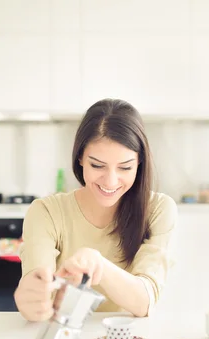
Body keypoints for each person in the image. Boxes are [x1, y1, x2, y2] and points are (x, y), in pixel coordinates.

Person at [14, 98, 178, 322]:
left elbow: (145, 302)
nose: (110, 181)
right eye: (97, 165)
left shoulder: (159, 209)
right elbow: (38, 284)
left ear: (139, 162)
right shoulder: (46, 212)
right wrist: (31, 296)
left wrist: (98, 264)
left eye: (125, 167)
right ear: (80, 158)